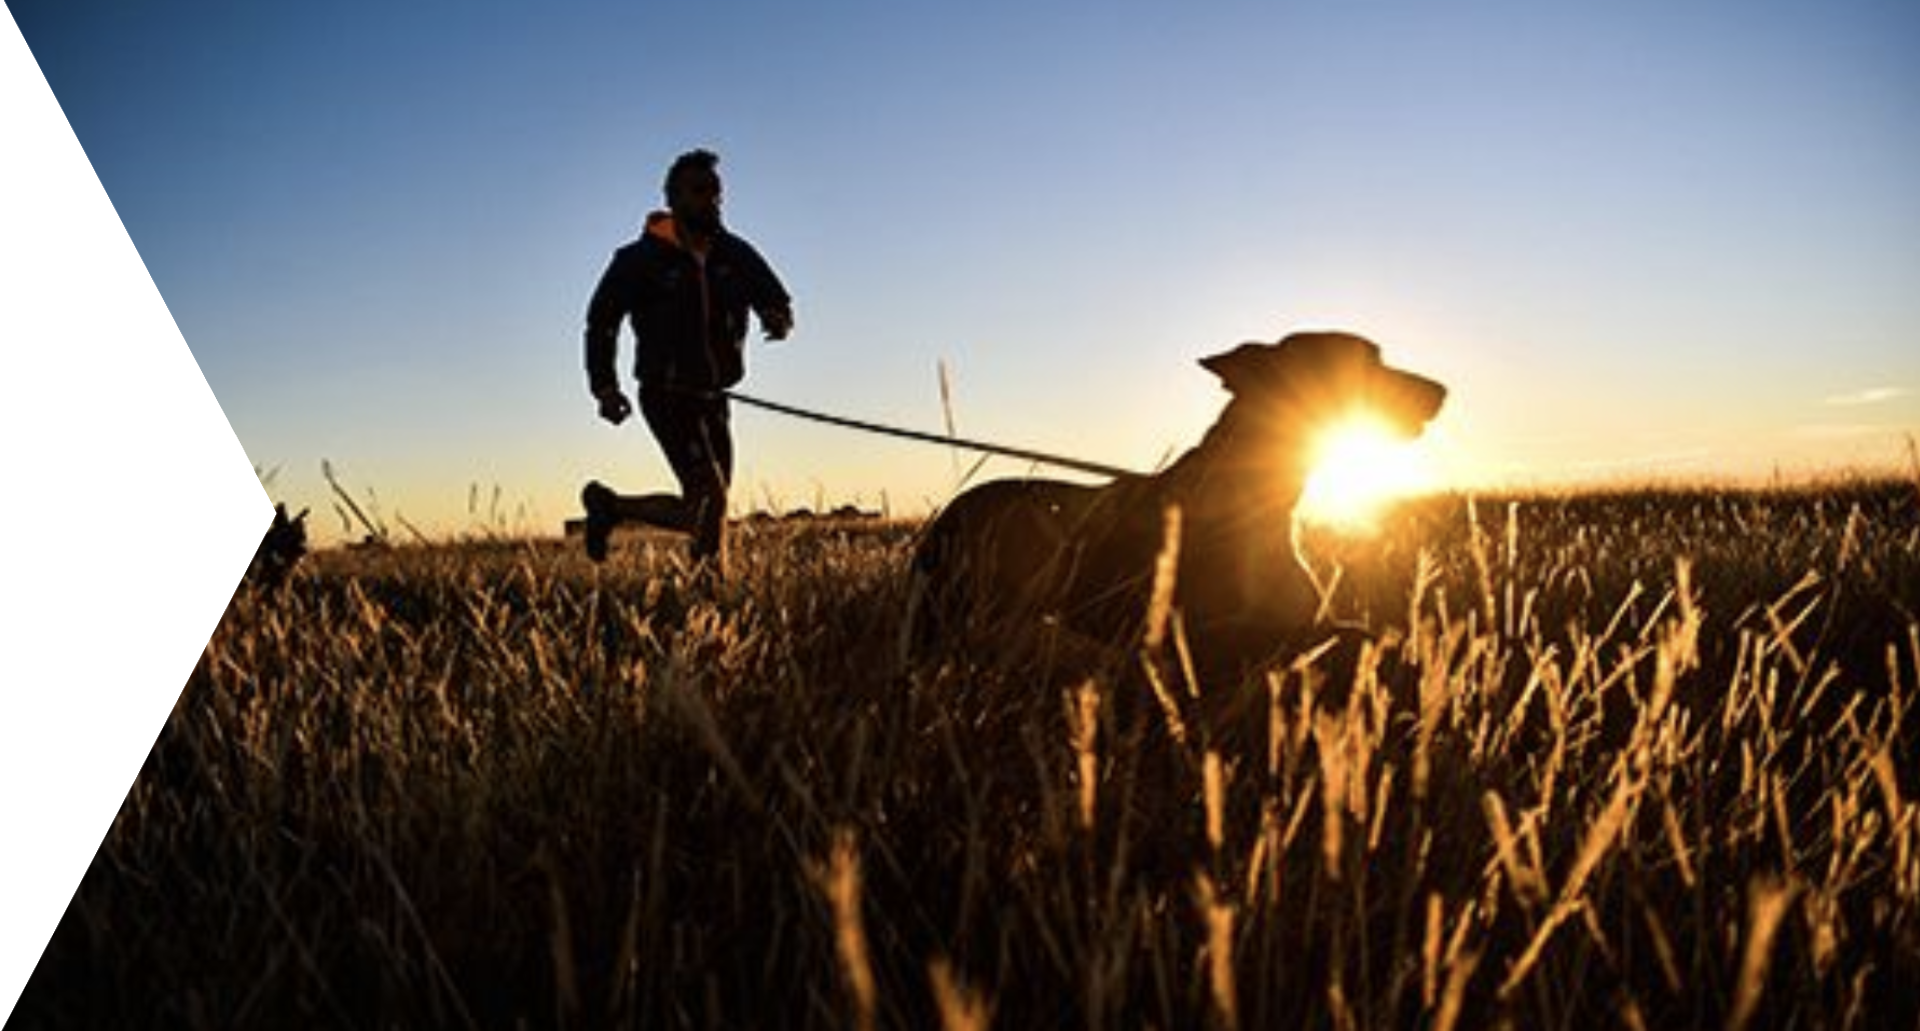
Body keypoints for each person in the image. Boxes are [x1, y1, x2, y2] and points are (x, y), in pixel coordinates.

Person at [580, 148, 794, 572]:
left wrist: (778, 318)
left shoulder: (735, 253)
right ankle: (707, 591)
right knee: (709, 505)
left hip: (715, 397)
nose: (711, 201)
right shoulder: (637, 260)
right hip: (667, 393)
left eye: (717, 193)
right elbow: (601, 323)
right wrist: (604, 387)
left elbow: (776, 298)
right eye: (700, 192)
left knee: (710, 511)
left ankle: (614, 509)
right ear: (673, 198)